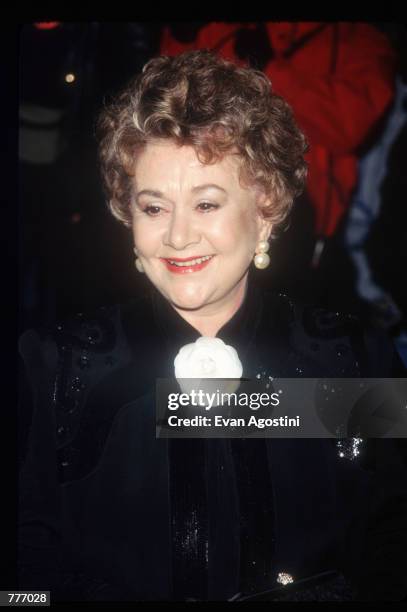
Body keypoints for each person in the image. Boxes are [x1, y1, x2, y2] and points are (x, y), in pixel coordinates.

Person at [18, 50, 407, 602]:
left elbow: (392, 539)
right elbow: (21, 579)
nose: (177, 236)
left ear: (266, 207)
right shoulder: (53, 368)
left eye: (206, 204)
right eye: (153, 208)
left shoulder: (352, 356)